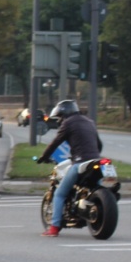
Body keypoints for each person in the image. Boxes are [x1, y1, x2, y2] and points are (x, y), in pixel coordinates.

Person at [35, 99, 102, 237]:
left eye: (59, 117)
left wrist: (44, 156)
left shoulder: (68, 123)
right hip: (96, 161)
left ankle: (54, 228)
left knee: (60, 194)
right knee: (96, 188)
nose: (59, 120)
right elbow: (99, 144)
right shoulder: (89, 121)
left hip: (80, 162)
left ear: (64, 114)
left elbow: (55, 142)